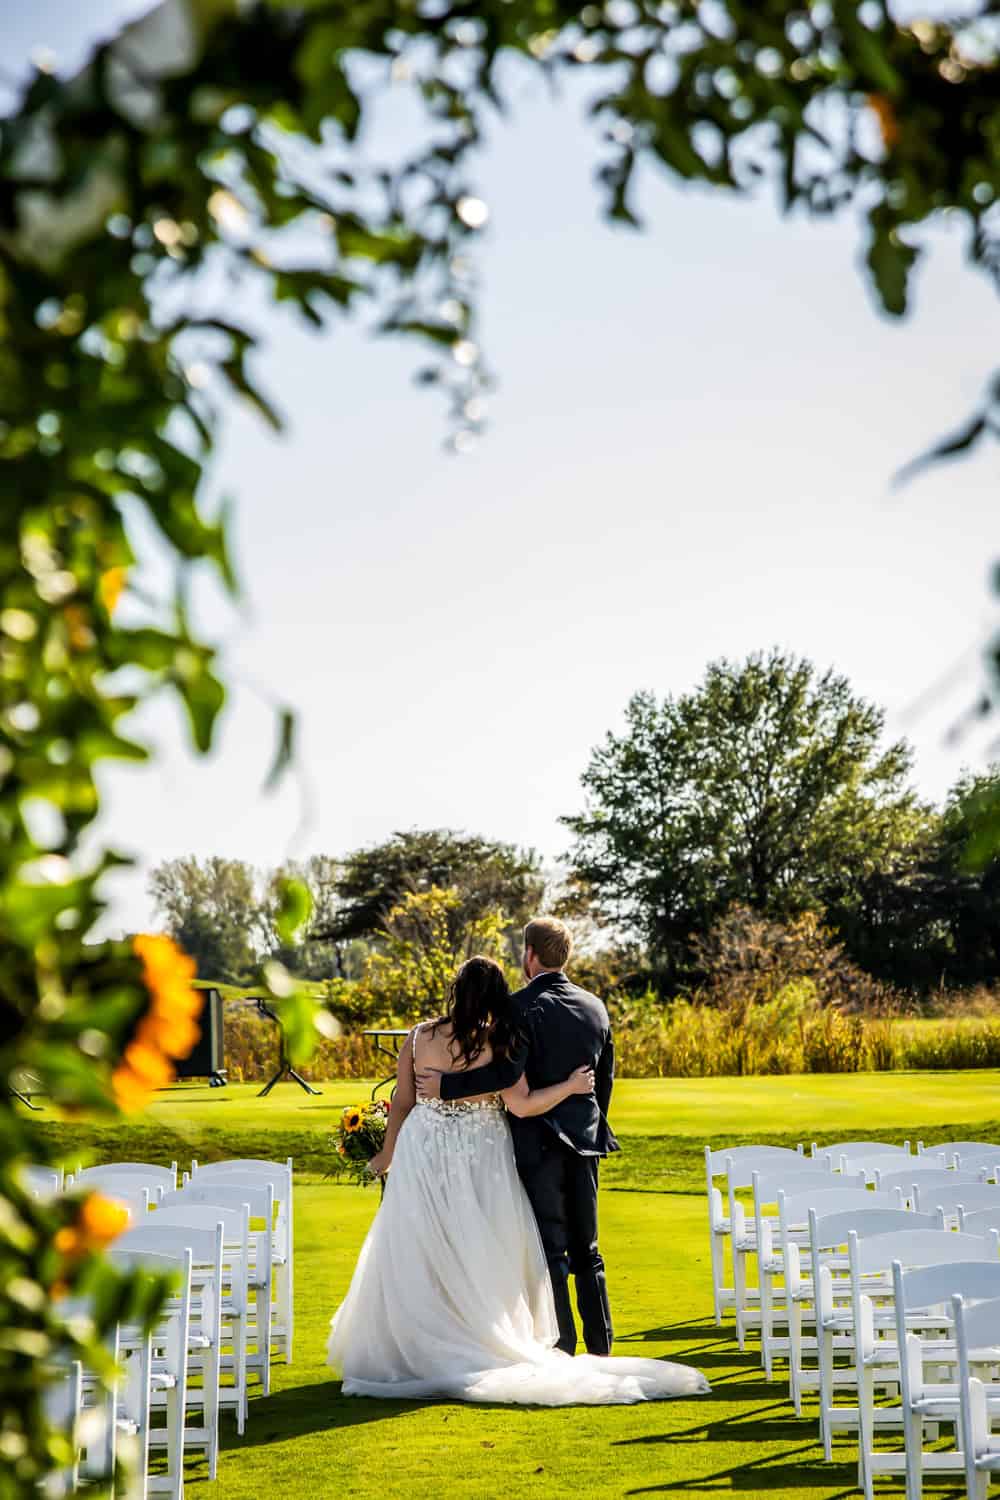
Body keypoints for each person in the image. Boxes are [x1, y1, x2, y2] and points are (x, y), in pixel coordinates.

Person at [326, 954, 708, 1405]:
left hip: (423, 1149)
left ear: (455, 990)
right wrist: (569, 1087)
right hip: (482, 1151)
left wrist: (386, 1157)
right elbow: (523, 1106)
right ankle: (481, 1336)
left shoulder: (418, 1037)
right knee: (483, 1246)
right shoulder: (498, 1041)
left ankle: (420, 1348)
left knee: (423, 1245)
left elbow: (404, 1104)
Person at [416, 916, 616, 1356]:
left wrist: (446, 1087)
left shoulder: (519, 1007)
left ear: (529, 955)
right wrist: (589, 1125)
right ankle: (602, 1349)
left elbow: (506, 1073)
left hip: (538, 1141)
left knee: (553, 1251)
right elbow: (603, 1085)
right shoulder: (595, 1007)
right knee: (589, 1249)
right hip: (585, 1143)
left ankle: (563, 1347)